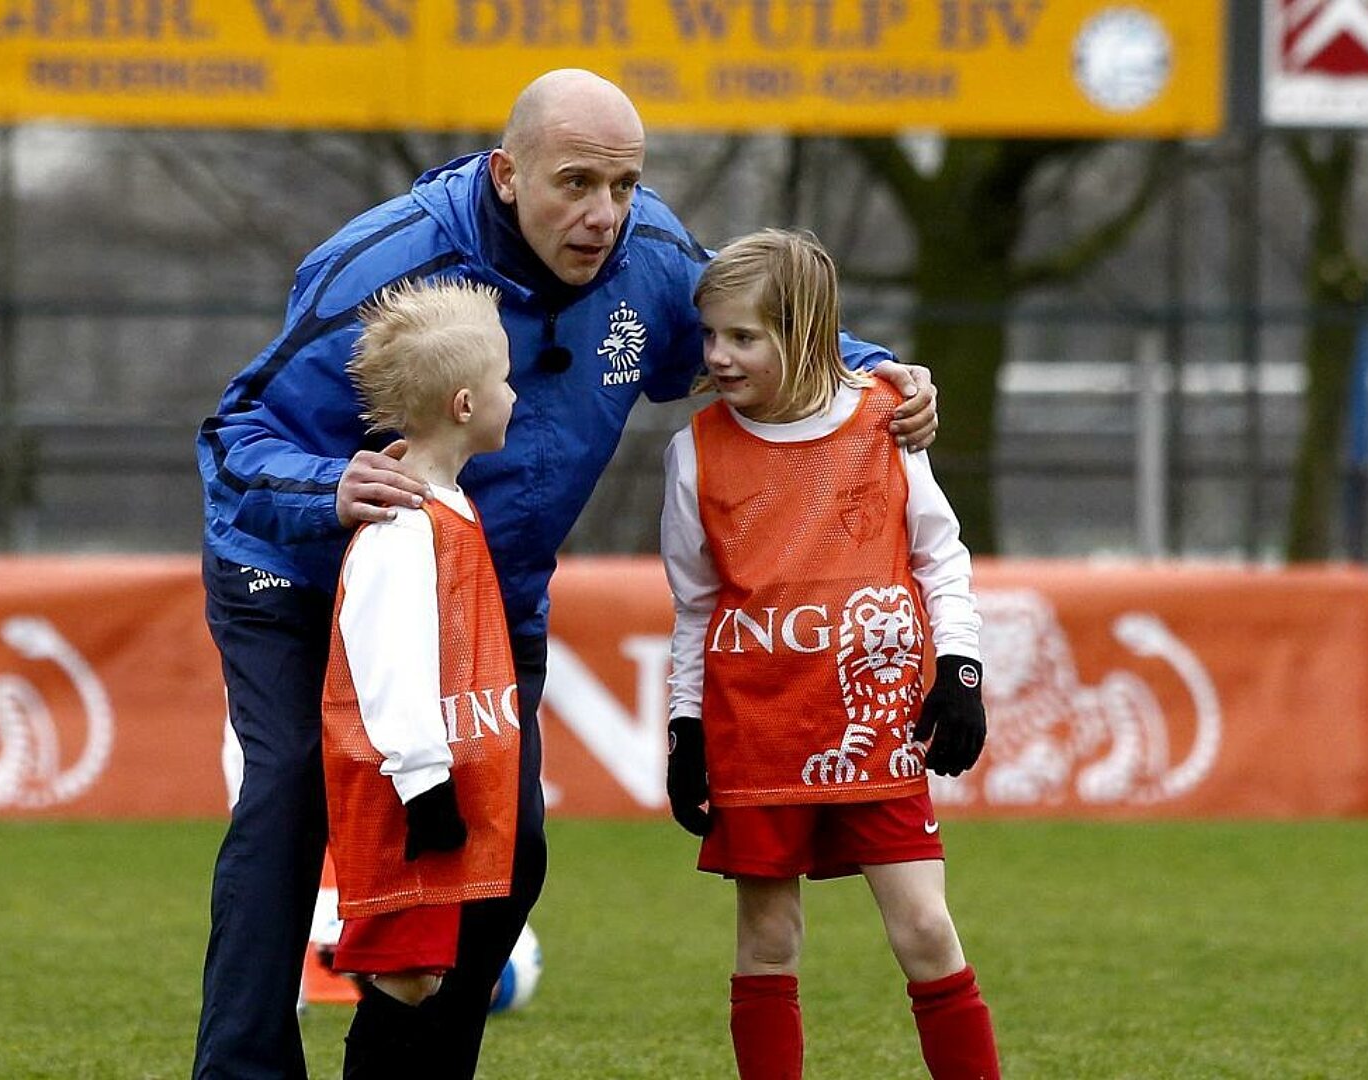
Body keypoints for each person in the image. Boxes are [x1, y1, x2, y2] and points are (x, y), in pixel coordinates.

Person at [194, 68, 938, 1079]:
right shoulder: (386, 263)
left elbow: (766, 327)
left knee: (508, 853)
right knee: (290, 802)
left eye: (624, 185)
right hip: (301, 571)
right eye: (576, 183)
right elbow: (237, 430)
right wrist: (328, 485)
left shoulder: (654, 258)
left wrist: (878, 375)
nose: (604, 215)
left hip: (486, 598)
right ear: (507, 175)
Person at [660, 229, 999, 1080]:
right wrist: (686, 728)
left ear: (805, 332)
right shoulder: (694, 452)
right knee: (768, 938)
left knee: (924, 927)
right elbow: (695, 605)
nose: (718, 356)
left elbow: (940, 555)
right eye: (710, 336)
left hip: (874, 729)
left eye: (743, 337)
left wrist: (959, 670)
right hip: (758, 733)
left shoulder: (884, 420)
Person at [320, 279, 522, 1075]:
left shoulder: (450, 506)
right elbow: (389, 664)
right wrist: (424, 784)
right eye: (507, 379)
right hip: (410, 797)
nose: (517, 393)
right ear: (467, 404)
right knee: (404, 976)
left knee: (423, 974)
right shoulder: (405, 525)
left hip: (441, 788)